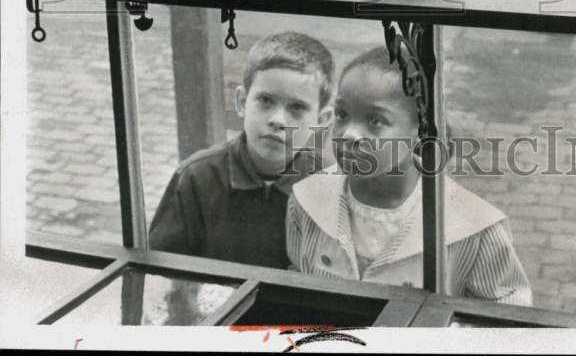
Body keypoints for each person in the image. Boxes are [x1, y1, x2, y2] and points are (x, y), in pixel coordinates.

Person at [286, 46, 533, 306]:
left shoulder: (475, 228)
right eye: (342, 115)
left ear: (420, 131)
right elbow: (297, 280)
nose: (348, 134)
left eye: (375, 120)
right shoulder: (307, 199)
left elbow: (507, 315)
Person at [149, 31, 334, 269]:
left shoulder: (331, 184)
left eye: (297, 107)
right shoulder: (196, 178)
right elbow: (163, 274)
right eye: (265, 101)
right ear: (241, 102)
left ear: (321, 120)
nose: (277, 119)